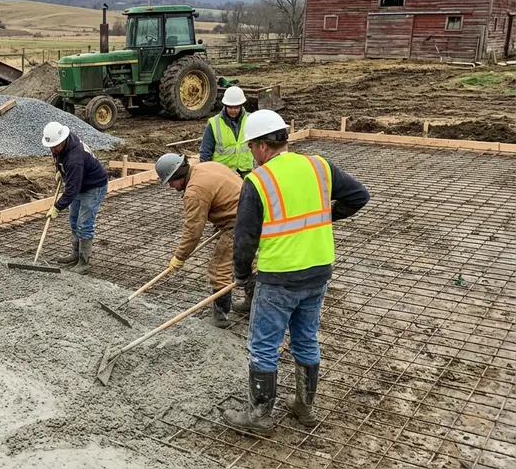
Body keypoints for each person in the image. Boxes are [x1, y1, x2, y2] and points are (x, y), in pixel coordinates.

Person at [222, 110, 369, 436]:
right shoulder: (319, 166)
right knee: (305, 338)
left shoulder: (258, 181)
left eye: (251, 147)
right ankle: (305, 405)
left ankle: (259, 416)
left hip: (279, 277)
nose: (251, 154)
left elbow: (244, 239)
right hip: (318, 271)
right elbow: (359, 196)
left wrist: (243, 277)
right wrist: (326, 216)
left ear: (262, 146)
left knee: (263, 346)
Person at [155, 153, 245, 328]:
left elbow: (193, 230)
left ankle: (221, 318)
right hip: (254, 215)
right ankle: (252, 302)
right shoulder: (204, 167)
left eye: (171, 182)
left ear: (178, 176)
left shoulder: (194, 191)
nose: (171, 187)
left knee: (219, 268)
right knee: (250, 262)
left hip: (238, 223)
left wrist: (179, 257)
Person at [42, 121, 108, 274]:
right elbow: (57, 156)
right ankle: (75, 254)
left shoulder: (75, 158)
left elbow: (72, 190)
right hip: (80, 183)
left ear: (63, 140)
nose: (53, 149)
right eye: (51, 146)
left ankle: (84, 262)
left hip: (93, 186)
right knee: (74, 220)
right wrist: (59, 169)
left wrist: (57, 207)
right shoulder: (61, 144)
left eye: (55, 146)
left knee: (84, 223)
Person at [200, 86, 253, 177]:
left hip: (245, 169)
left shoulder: (250, 119)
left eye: (236, 107)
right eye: (230, 107)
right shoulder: (214, 123)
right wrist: (206, 172)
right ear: (225, 105)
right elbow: (206, 150)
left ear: (241, 105)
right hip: (223, 171)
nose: (233, 110)